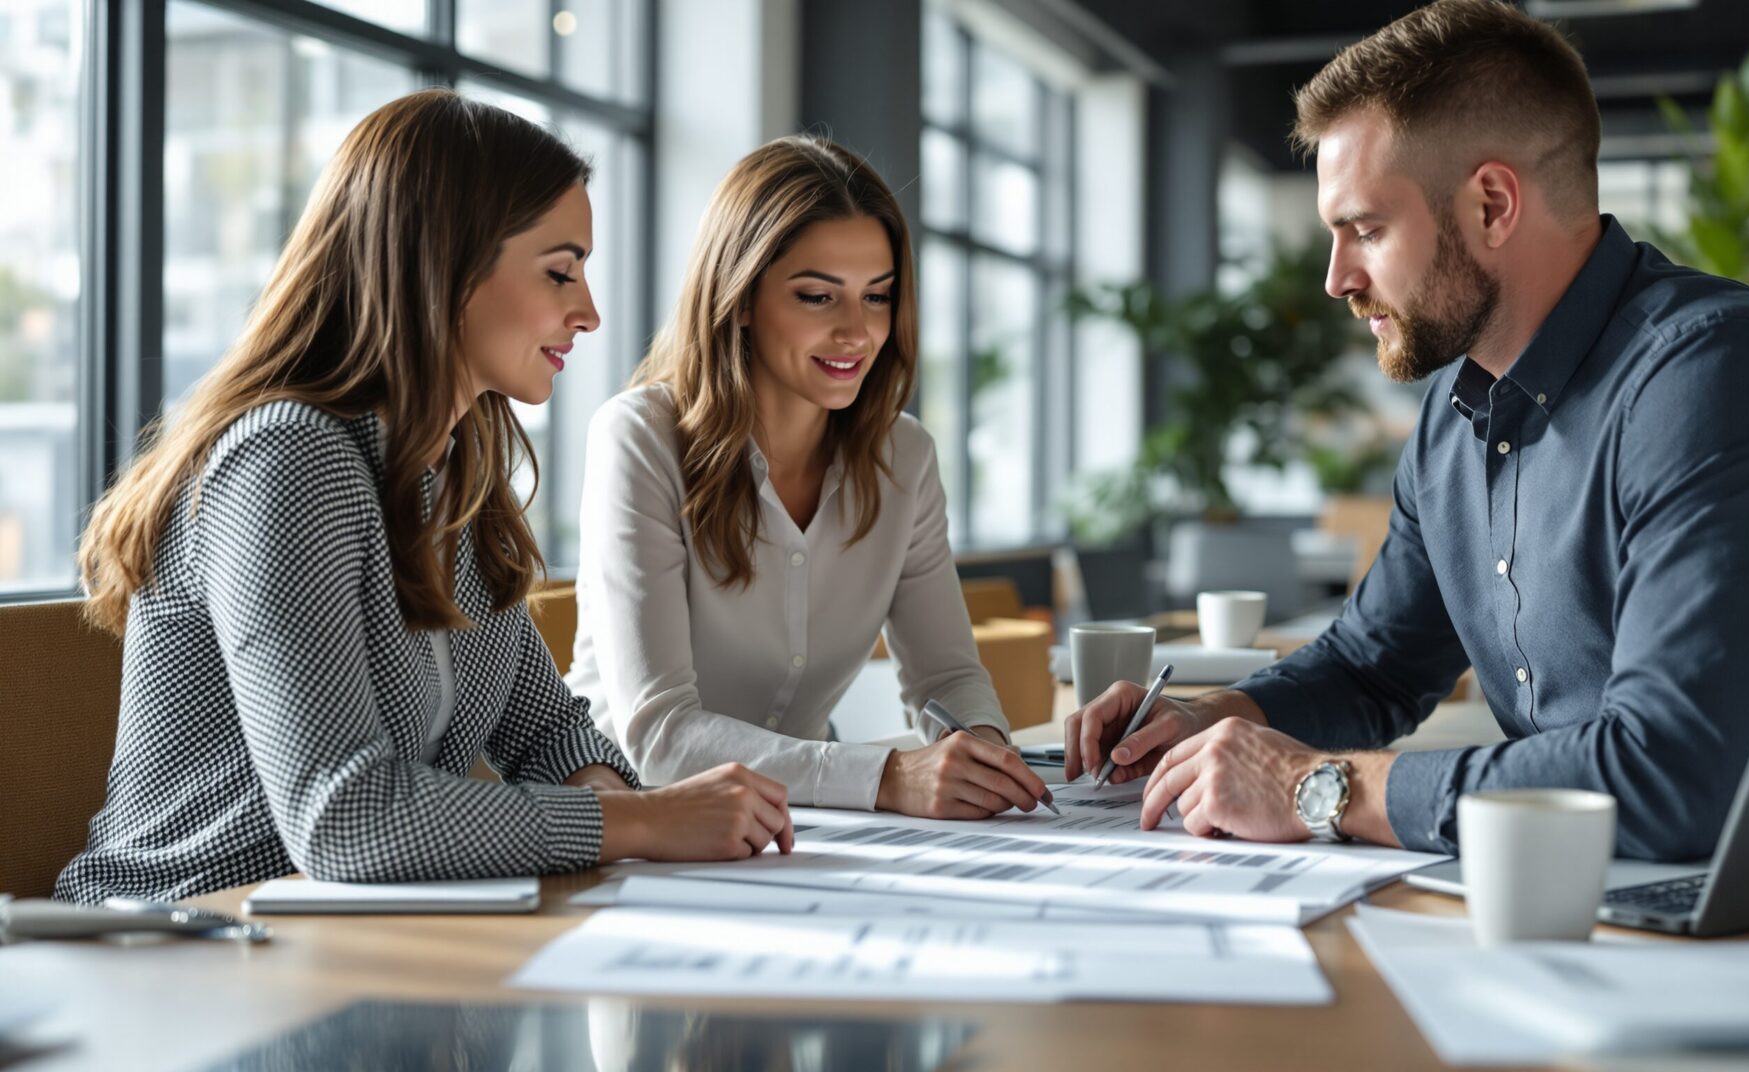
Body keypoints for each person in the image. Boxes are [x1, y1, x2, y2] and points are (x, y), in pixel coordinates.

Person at [1065, 0, 1749, 861]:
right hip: (1577, 893)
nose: (1336, 278)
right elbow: (1374, 666)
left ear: (1493, 205)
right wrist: (1213, 720)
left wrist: (1313, 787)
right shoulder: (1455, 417)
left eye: (1366, 229)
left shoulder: (1719, 378)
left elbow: (1674, 771)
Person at [56, 90, 791, 905]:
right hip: (182, 951)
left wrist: (629, 807)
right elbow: (345, 817)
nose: (587, 312)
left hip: (346, 942)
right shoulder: (285, 460)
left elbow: (544, 730)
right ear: (443, 267)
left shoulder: (456, 474)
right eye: (560, 271)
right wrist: (645, 824)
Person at [566, 135, 1052, 819]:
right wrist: (886, 778)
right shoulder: (640, 436)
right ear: (737, 299)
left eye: (877, 296)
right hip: (635, 820)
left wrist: (984, 757)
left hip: (800, 828)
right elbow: (660, 735)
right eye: (818, 297)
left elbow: (945, 677)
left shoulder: (903, 457)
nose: (857, 332)